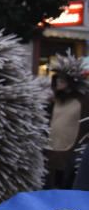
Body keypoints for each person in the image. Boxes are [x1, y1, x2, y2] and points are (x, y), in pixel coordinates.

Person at [44, 53, 89, 189]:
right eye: (57, 79)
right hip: (51, 149)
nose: (58, 83)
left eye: (62, 80)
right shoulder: (53, 101)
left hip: (72, 151)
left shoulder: (84, 100)